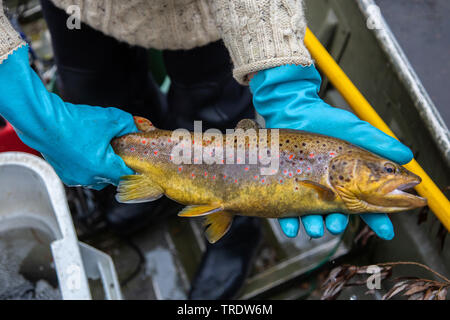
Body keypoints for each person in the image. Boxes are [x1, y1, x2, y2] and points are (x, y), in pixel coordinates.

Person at [0, 0, 413, 299]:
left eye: (384, 173)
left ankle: (235, 235)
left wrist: (280, 75)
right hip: (79, 9)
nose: (396, 179)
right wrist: (30, 109)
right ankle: (141, 192)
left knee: (216, 114)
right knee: (104, 99)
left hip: (211, 15)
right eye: (385, 172)